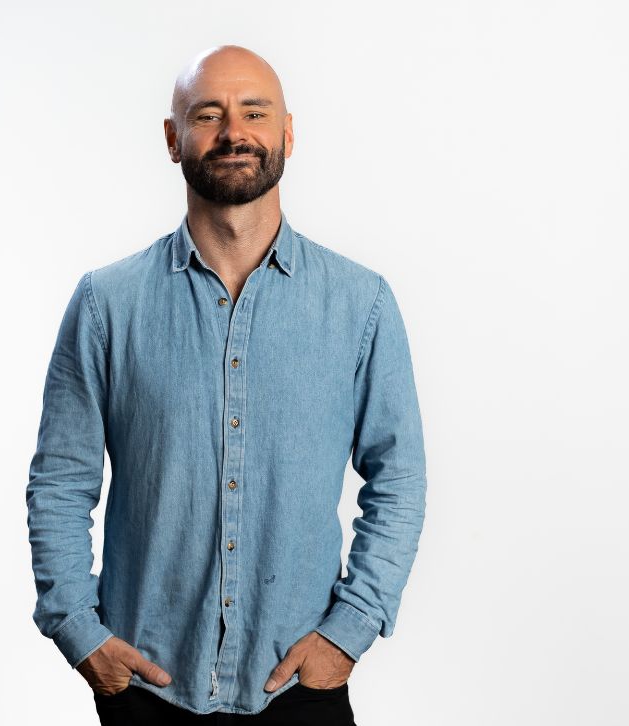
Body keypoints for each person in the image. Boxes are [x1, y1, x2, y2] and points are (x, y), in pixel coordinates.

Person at [26, 44, 428, 725]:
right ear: (172, 138)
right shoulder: (106, 305)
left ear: (288, 134)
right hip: (146, 689)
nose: (234, 132)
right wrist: (80, 632)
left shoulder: (361, 304)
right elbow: (61, 482)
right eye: (208, 114)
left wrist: (350, 630)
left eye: (254, 112)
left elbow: (400, 479)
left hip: (300, 689)